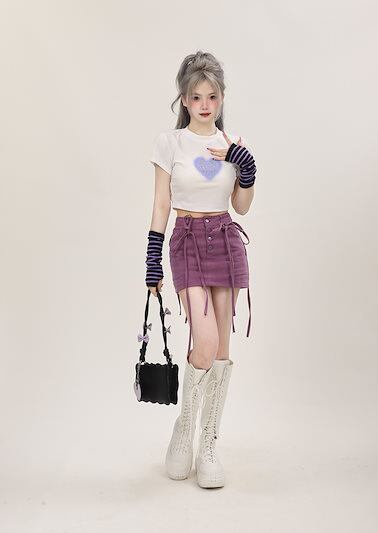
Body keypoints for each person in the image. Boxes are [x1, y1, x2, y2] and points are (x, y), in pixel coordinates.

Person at [145, 50, 257, 488]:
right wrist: (153, 257)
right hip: (188, 239)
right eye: (196, 97)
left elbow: (241, 206)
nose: (205, 104)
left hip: (225, 240)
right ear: (185, 100)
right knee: (204, 341)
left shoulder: (231, 143)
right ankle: (184, 427)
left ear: (221, 97)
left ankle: (208, 443)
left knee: (222, 349)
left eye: (212, 96)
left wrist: (246, 170)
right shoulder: (170, 143)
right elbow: (161, 203)